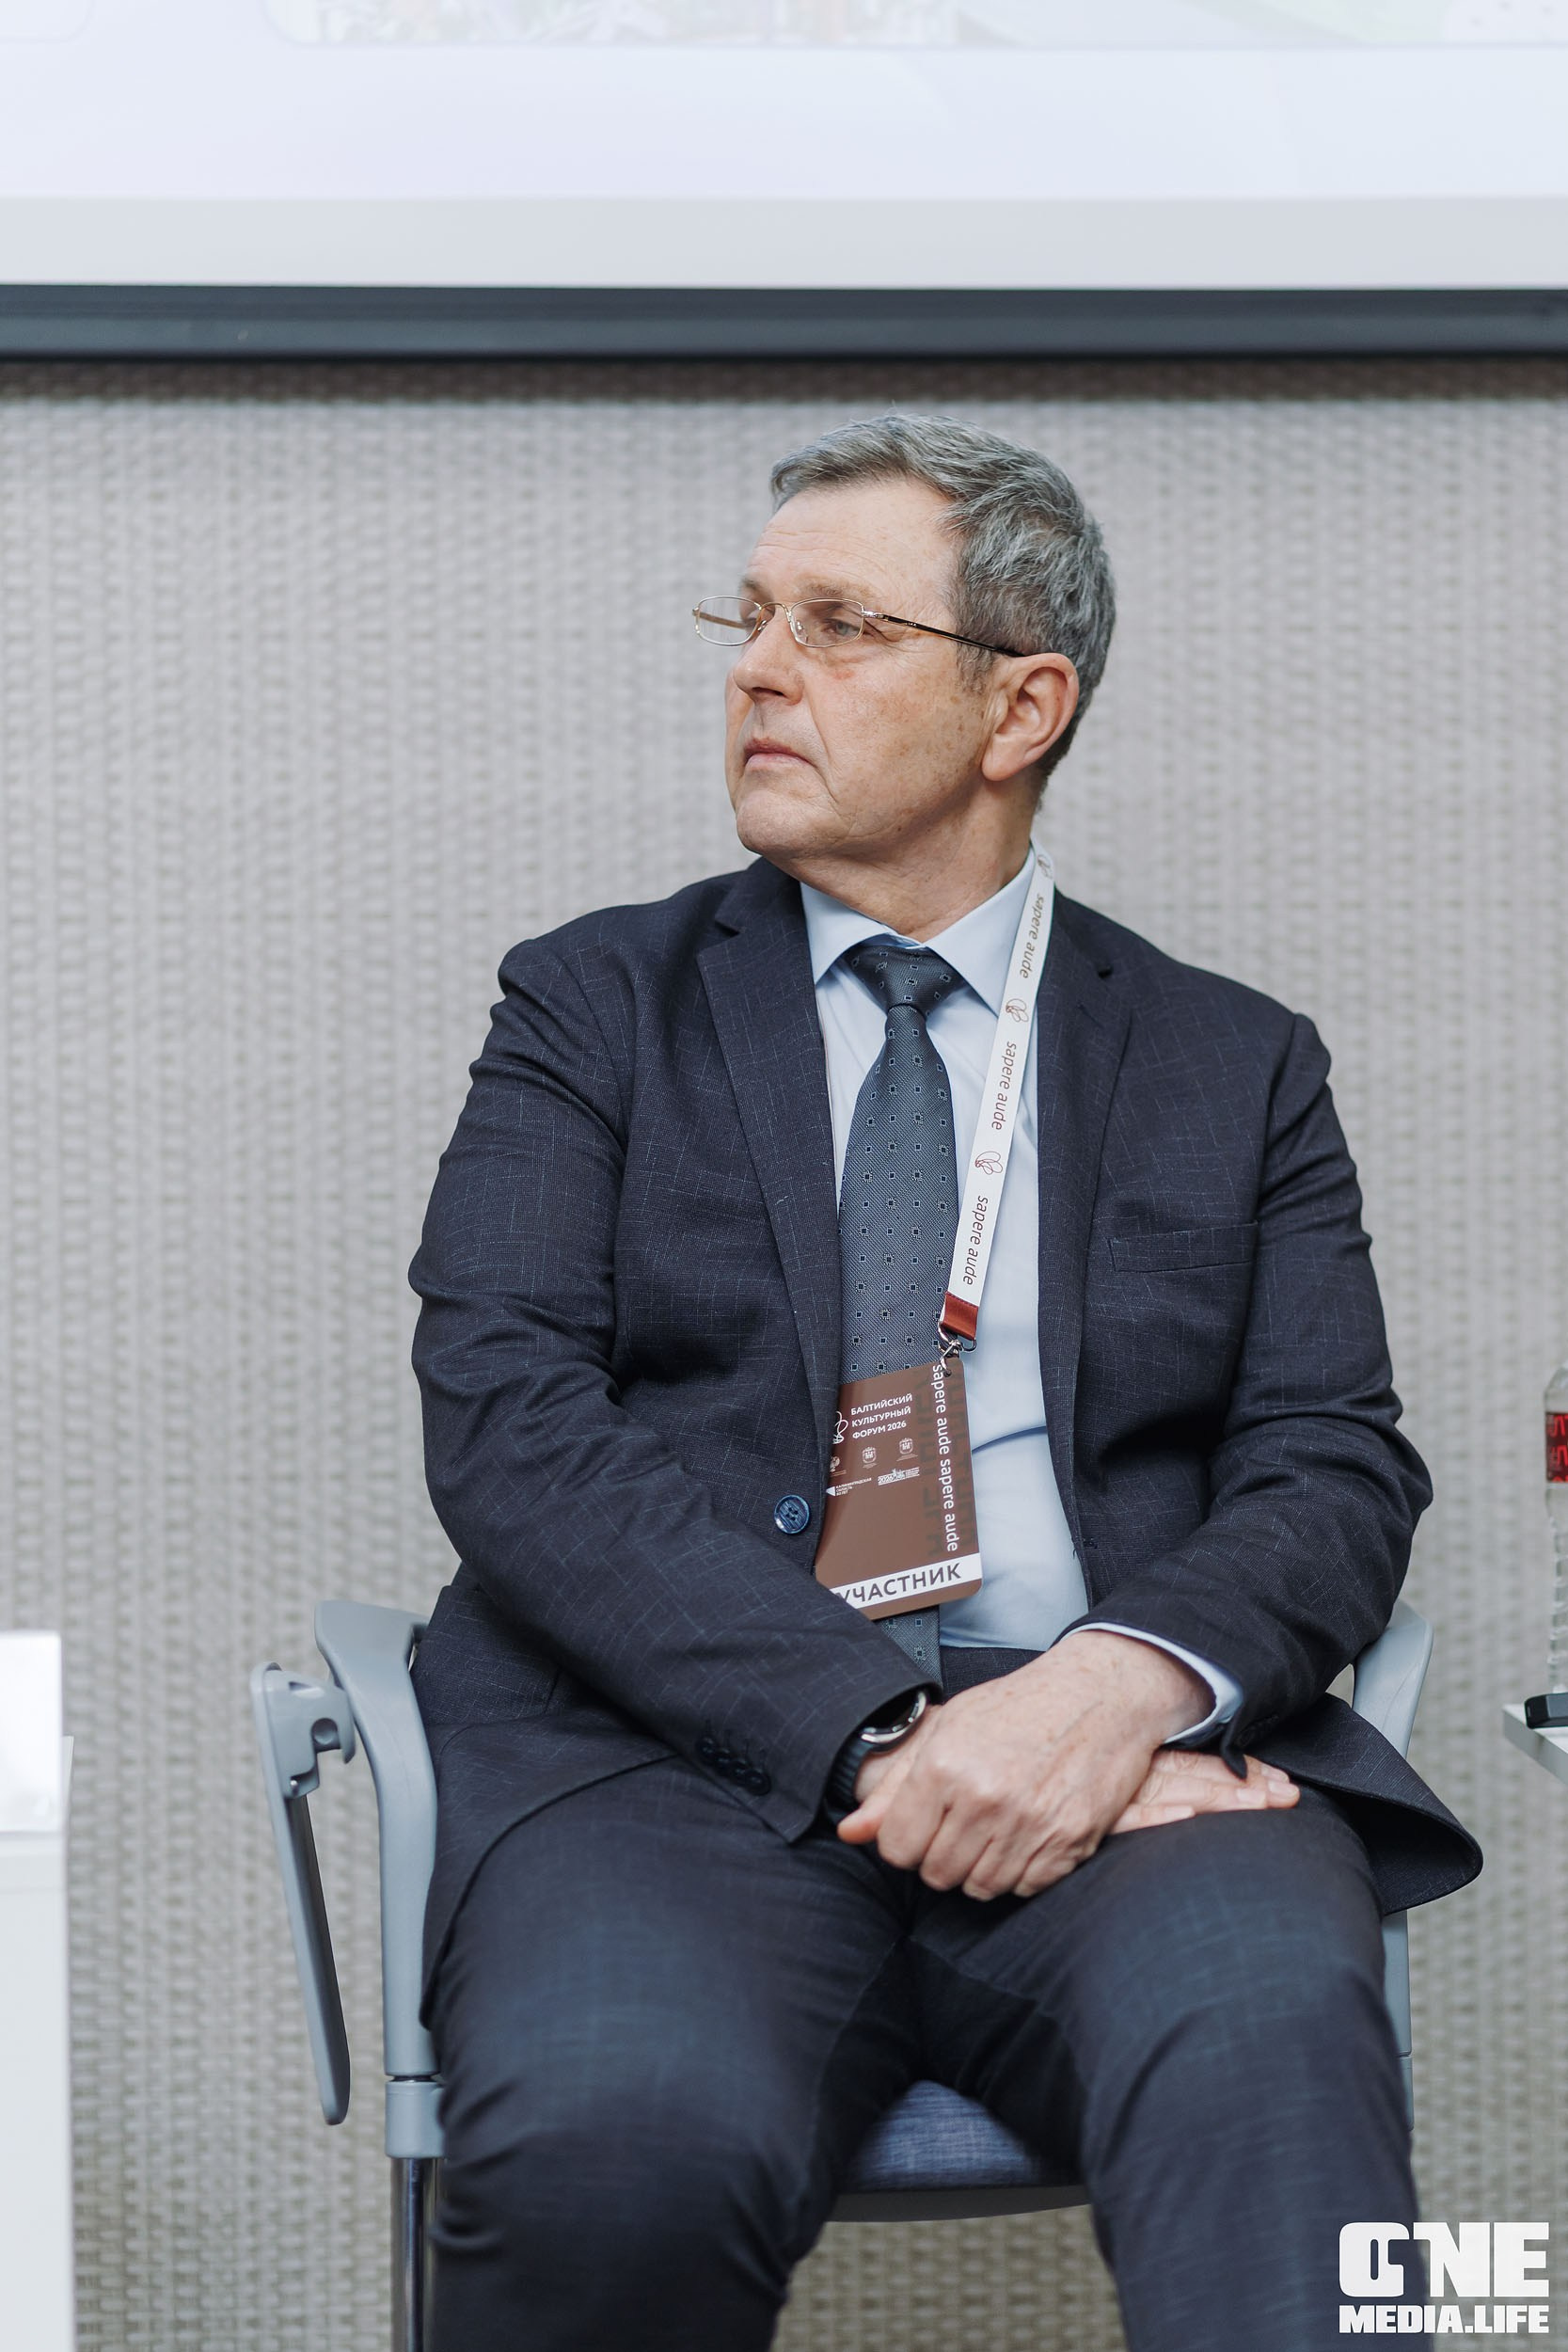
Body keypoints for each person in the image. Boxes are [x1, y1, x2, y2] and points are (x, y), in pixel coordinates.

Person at [407, 413, 1479, 2352]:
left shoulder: (1233, 1061)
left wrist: (1113, 1691)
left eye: (839, 626)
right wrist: (886, 1733)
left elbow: (1332, 1463)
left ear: (1021, 706)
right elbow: (510, 1419)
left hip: (1118, 1768)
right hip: (673, 1770)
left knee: (1288, 2116)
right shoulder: (593, 1004)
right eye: (750, 619)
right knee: (608, 2145)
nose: (758, 668)